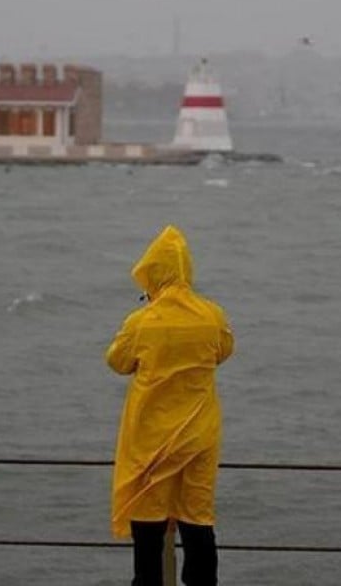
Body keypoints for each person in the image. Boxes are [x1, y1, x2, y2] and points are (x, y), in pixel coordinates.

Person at [106, 224, 235, 586]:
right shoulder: (212, 315)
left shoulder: (141, 322)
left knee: (148, 524)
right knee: (198, 520)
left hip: (151, 440)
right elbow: (224, 351)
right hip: (198, 435)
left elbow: (117, 362)